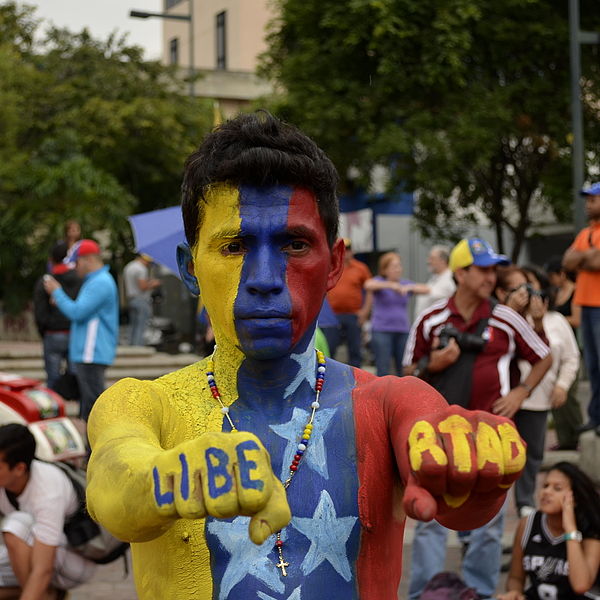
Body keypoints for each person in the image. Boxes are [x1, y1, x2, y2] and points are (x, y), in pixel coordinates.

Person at [85, 113, 527, 600]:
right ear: (191, 270)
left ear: (334, 263)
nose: (266, 278)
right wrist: (167, 478)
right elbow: (113, 485)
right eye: (235, 246)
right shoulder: (144, 404)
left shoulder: (385, 404)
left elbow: (446, 477)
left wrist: (466, 470)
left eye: (295, 244)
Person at [403, 237, 552, 600]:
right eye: (482, 269)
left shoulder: (505, 317)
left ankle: (481, 594)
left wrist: (521, 392)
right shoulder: (431, 318)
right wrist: (431, 364)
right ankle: (425, 593)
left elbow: (543, 356)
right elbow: (406, 371)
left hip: (493, 436)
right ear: (461, 273)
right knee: (429, 519)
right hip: (439, 437)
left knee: (490, 522)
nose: (491, 276)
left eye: (492, 269)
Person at [495, 266, 579, 517]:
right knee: (500, 455)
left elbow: (570, 358)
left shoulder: (556, 321)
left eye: (530, 287)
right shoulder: (503, 319)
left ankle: (525, 505)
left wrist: (562, 385)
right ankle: (494, 508)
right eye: (519, 288)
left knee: (532, 455)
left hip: (539, 399)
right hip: (504, 399)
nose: (526, 294)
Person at [0, 423, 96, 599]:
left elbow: (43, 569)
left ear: (19, 469)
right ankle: (47, 595)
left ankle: (41, 594)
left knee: (16, 526)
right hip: (33, 549)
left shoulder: (48, 491)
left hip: (74, 559)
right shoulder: (6, 479)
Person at [498, 461, 600, 600]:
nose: (546, 492)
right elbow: (516, 577)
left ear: (574, 499)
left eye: (557, 488)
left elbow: (581, 585)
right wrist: (515, 592)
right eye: (545, 486)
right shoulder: (528, 524)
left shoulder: (590, 529)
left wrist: (570, 529)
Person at [43, 239, 118, 421]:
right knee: (88, 404)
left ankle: (94, 449)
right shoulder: (97, 280)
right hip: (89, 352)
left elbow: (77, 312)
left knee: (93, 407)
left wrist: (57, 292)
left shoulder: (100, 282)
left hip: (91, 352)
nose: (74, 268)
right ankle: (90, 448)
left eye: (76, 263)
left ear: (88, 260)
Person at [563, 183, 600, 432]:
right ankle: (596, 418)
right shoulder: (586, 233)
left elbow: (597, 262)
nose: (588, 205)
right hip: (586, 305)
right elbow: (568, 261)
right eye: (587, 200)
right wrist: (588, 256)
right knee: (593, 366)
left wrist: (584, 258)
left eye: (593, 200)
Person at [364, 251, 429, 376]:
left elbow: (426, 289)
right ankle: (382, 394)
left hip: (402, 331)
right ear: (385, 269)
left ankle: (401, 394)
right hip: (382, 330)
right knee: (383, 367)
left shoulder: (404, 283)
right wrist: (391, 286)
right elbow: (368, 285)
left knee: (403, 367)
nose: (398, 269)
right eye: (394, 266)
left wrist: (409, 288)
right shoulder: (379, 281)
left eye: (399, 266)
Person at [545, 257, 583, 450]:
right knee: (555, 398)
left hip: (573, 348)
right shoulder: (555, 293)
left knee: (570, 396)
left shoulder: (576, 291)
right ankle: (564, 439)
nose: (551, 280)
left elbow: (577, 320)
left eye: (553, 276)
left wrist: (556, 320)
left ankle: (578, 435)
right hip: (554, 352)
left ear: (561, 274)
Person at [33, 242, 82, 390]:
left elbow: (39, 311)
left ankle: (54, 410)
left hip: (53, 333)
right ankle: (82, 411)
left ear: (51, 259)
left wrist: (44, 330)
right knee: (77, 376)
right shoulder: (79, 279)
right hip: (74, 332)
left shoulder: (46, 281)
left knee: (52, 378)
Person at [325, 238, 372, 367]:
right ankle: (328, 378)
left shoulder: (361, 268)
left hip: (353, 315)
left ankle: (356, 383)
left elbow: (369, 290)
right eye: (343, 250)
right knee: (330, 348)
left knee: (355, 350)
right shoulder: (330, 266)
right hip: (332, 316)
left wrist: (365, 312)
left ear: (352, 251)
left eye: (348, 249)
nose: (346, 253)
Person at [123, 253, 161, 346]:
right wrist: (154, 283)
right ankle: (138, 347)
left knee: (133, 325)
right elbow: (142, 287)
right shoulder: (141, 269)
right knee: (141, 325)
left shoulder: (129, 266)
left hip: (132, 299)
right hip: (141, 300)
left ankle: (131, 346)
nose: (148, 265)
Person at [414, 245, 456, 317]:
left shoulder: (451, 278)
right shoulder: (435, 278)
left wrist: (409, 287)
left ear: (443, 261)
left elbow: (433, 292)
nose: (428, 261)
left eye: (432, 258)